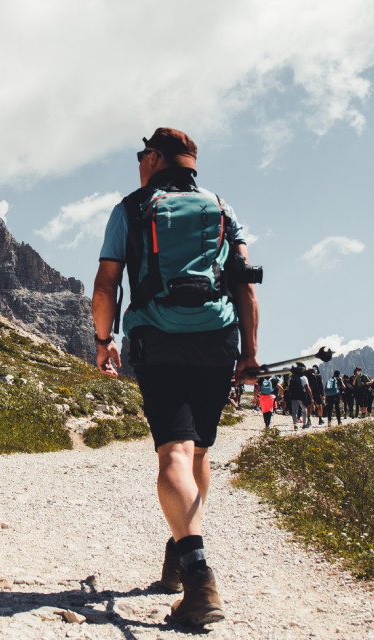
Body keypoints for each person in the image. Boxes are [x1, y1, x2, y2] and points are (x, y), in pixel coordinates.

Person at [91, 128, 259, 627]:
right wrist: (249, 353)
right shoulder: (223, 208)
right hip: (218, 338)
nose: (140, 162)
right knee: (199, 451)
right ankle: (179, 550)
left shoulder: (132, 208)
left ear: (158, 159)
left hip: (158, 338)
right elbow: (245, 285)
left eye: (144, 154)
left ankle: (199, 576)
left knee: (173, 451)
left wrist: (104, 342)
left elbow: (106, 283)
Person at [288, 363, 313, 430]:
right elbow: (307, 387)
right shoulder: (304, 377)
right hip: (302, 395)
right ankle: (304, 424)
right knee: (304, 409)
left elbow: (289, 387)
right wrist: (311, 397)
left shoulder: (291, 378)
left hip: (294, 395)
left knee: (294, 411)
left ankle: (295, 424)